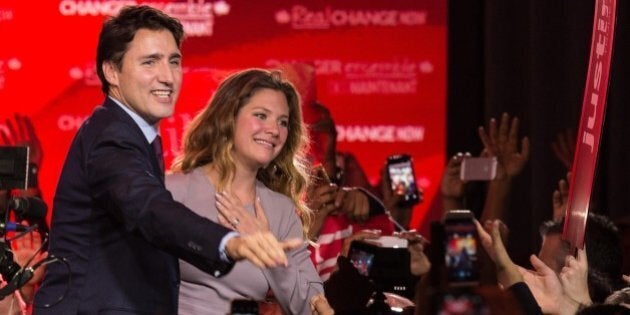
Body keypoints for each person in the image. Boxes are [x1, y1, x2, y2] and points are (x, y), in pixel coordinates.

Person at [34, 6, 300, 314]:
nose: (167, 77)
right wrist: (228, 243)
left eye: (173, 61)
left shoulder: (133, 133)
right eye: (150, 62)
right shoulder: (111, 137)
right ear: (111, 71)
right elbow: (149, 207)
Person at [166, 68, 332, 315]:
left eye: (283, 122)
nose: (274, 130)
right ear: (228, 117)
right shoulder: (173, 192)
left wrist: (269, 249)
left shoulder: (281, 210)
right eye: (261, 115)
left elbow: (314, 308)